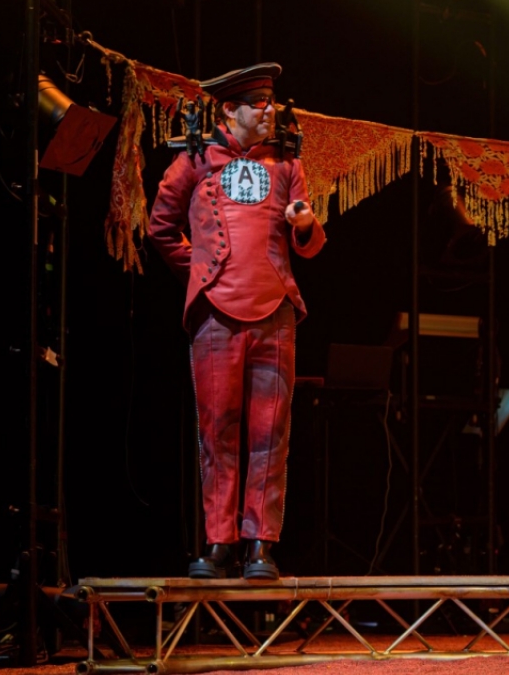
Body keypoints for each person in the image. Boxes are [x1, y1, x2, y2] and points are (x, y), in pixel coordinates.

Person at [149, 62, 326, 580]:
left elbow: (309, 243)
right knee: (217, 431)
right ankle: (219, 542)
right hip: (216, 315)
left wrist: (305, 224)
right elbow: (161, 228)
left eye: (271, 101)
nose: (270, 111)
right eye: (259, 104)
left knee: (271, 433)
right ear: (230, 109)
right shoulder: (196, 159)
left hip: (274, 310)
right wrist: (204, 271)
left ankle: (260, 544)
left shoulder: (286, 162)